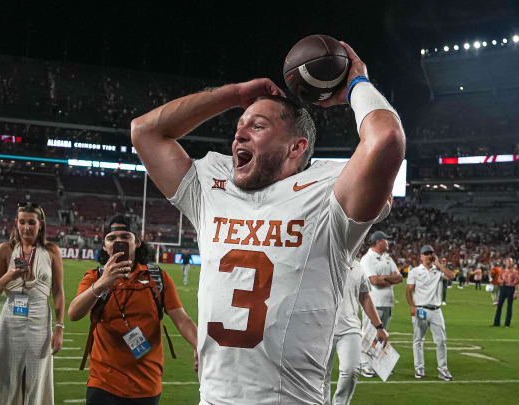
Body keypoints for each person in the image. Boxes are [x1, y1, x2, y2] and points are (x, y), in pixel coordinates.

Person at [130, 40, 404, 404]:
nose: (239, 135)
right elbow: (144, 131)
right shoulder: (213, 186)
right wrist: (234, 94)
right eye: (239, 126)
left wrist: (356, 83)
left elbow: (385, 137)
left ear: (296, 147)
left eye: (256, 126)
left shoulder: (327, 193)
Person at [68, 215, 198, 405]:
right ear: (104, 245)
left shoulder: (157, 277)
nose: (118, 242)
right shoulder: (94, 277)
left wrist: (198, 345)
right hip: (103, 383)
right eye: (111, 238)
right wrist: (104, 282)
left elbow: (182, 319)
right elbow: (73, 313)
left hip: (146, 384)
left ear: (137, 242)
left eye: (125, 237)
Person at [0, 203, 65, 404]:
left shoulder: (52, 251)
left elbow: (58, 292)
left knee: (36, 376)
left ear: (41, 224)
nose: (26, 227)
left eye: (31, 222)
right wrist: (10, 275)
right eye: (22, 222)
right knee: (6, 375)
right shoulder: (5, 250)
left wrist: (59, 328)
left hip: (40, 318)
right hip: (11, 317)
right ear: (16, 223)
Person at [323, 261, 388, 405]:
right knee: (322, 375)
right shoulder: (323, 258)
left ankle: (340, 403)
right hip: (322, 327)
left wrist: (379, 327)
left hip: (349, 327)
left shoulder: (358, 266)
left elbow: (364, 296)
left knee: (351, 370)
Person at [406, 245, 455, 381]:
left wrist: (439, 264)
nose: (429, 256)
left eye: (431, 253)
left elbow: (451, 276)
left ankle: (443, 370)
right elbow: (409, 290)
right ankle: (419, 369)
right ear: (421, 256)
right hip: (420, 308)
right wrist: (412, 307)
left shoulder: (438, 271)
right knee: (418, 340)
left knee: (441, 341)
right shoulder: (415, 271)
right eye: (426, 253)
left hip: (436, 310)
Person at [358, 230, 402, 377]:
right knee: (368, 334)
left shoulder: (387, 258)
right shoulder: (367, 259)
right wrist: (390, 278)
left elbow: (400, 278)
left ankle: (375, 363)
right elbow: (374, 281)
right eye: (385, 240)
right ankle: (363, 363)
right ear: (378, 242)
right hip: (373, 303)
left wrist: (384, 278)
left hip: (388, 302)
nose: (388, 242)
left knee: (380, 335)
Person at [493, 257, 518, 328]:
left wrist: (516, 292)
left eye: (509, 262)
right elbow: (499, 279)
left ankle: (507, 324)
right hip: (503, 288)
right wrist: (501, 281)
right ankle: (496, 323)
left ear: (511, 263)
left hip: (511, 289)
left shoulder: (515, 272)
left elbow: (516, 282)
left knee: (509, 306)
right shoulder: (502, 271)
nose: (507, 263)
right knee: (499, 305)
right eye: (506, 262)